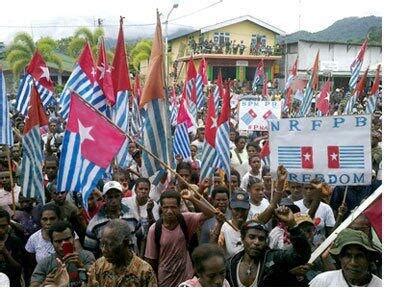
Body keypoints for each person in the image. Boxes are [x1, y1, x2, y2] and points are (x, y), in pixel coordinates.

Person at [145, 190, 215, 287]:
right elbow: (151, 260)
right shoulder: (154, 230)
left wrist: (192, 198)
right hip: (165, 281)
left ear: (179, 208)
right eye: (166, 207)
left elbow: (211, 214)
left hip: (186, 279)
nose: (169, 211)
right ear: (161, 208)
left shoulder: (186, 220)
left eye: (173, 207)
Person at [226, 213, 311, 287]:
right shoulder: (230, 265)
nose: (256, 242)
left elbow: (302, 256)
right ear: (242, 239)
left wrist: (292, 224)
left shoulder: (274, 259)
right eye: (252, 237)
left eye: (261, 239)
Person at [88, 219, 157, 287]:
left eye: (110, 245)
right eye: (102, 244)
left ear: (125, 242)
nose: (104, 250)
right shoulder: (98, 267)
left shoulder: (144, 271)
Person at [30, 221, 95, 287]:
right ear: (52, 242)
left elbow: (98, 278)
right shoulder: (45, 264)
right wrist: (44, 284)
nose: (63, 244)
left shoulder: (86, 256)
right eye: (58, 241)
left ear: (73, 237)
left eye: (67, 239)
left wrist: (81, 266)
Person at [310, 228, 382, 287]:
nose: (353, 263)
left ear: (368, 258)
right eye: (348, 256)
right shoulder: (323, 282)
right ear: (340, 257)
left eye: (359, 256)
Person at [84, 181, 139, 257]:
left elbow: (141, 237)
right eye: (110, 197)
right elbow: (90, 251)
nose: (113, 201)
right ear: (104, 198)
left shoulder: (132, 216)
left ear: (121, 197)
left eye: (116, 196)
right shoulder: (95, 223)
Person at [294, 181, 335, 247]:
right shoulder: (295, 206)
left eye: (312, 189)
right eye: (306, 188)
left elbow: (330, 232)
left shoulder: (326, 208)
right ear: (302, 189)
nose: (308, 191)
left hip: (319, 249)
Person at [0, 207, 24, 286]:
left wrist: (6, 253)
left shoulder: (15, 241)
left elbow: (20, 268)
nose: (0, 230)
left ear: (8, 225)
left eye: (3, 226)